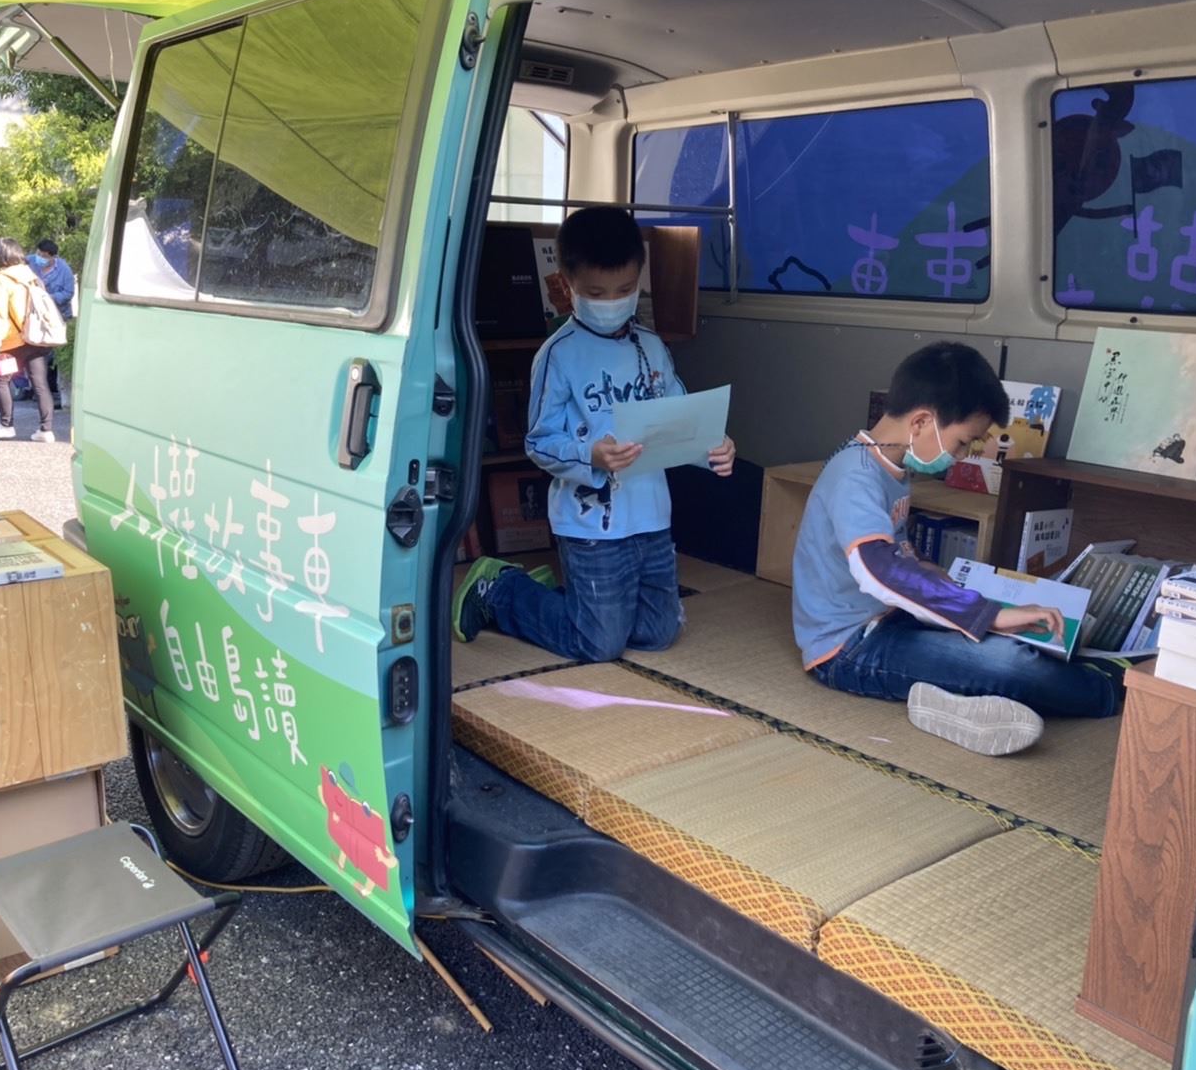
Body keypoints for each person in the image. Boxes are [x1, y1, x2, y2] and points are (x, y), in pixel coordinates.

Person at [792, 341, 1128, 757]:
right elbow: (877, 568)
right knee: (1009, 663)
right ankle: (1112, 689)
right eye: (963, 442)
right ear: (921, 422)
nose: (963, 455)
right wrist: (989, 614)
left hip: (893, 617)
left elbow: (897, 552)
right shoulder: (854, 477)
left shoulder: (890, 466)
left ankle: (948, 699)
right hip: (849, 648)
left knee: (1010, 640)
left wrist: (941, 578)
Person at [453, 205, 736, 662]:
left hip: (652, 516)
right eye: (596, 292)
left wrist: (713, 449)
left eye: (624, 290)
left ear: (639, 278)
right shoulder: (558, 354)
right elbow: (538, 442)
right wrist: (591, 456)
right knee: (598, 644)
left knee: (658, 634)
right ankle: (502, 588)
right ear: (567, 285)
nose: (612, 302)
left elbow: (682, 422)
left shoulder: (652, 346)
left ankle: (572, 603)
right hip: (590, 524)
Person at [0, 237, 55, 442]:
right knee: (40, 384)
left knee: (1, 380)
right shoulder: (31, 275)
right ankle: (46, 430)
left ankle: (6, 425)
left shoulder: (1, 279)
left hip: (12, 340)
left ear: (0, 255)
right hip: (36, 337)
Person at [28, 238, 75, 404]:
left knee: (52, 355)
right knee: (36, 352)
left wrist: (47, 298)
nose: (39, 257)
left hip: (57, 317)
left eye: (44, 256)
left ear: (53, 257)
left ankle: (51, 391)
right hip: (34, 318)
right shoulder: (29, 262)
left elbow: (68, 293)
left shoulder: (64, 270)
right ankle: (36, 389)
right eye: (38, 253)